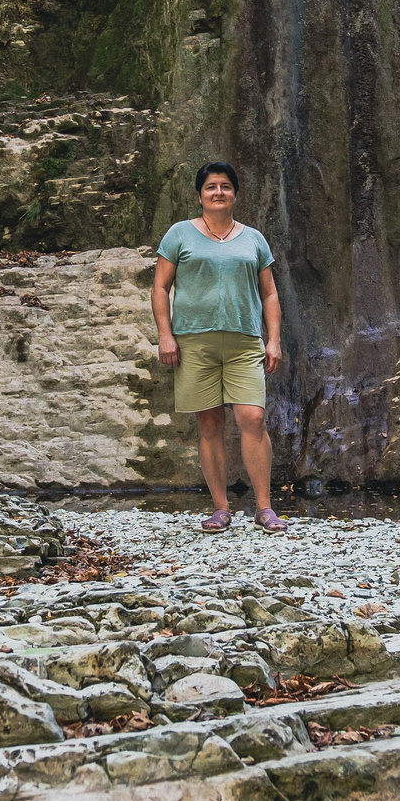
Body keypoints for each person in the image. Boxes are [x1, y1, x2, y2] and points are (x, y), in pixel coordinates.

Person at [153, 162, 284, 533]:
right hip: (194, 342)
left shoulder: (254, 239)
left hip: (244, 341)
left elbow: (270, 293)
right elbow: (160, 287)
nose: (218, 192)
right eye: (211, 187)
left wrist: (274, 339)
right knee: (209, 423)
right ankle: (220, 508)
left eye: (226, 186)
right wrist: (165, 334)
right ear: (200, 195)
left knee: (252, 418)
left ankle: (264, 508)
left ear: (235, 194)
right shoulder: (179, 234)